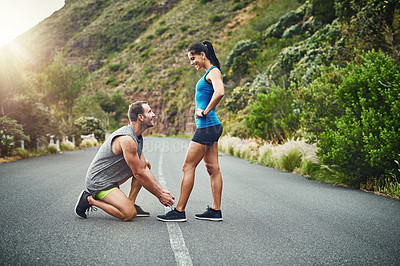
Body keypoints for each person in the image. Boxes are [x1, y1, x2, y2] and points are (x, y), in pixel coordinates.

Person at [157, 41, 224, 222]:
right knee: (212, 168)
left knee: (188, 167)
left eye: (192, 58)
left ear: (203, 55)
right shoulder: (209, 73)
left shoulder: (213, 72)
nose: (191, 62)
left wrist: (204, 111)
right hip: (210, 127)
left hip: (207, 127)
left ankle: (179, 210)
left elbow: (220, 92)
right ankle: (215, 210)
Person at [74, 101, 175, 221]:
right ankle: (89, 199)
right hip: (99, 183)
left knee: (146, 164)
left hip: (111, 179)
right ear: (140, 117)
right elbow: (137, 173)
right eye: (150, 112)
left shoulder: (137, 136)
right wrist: (160, 196)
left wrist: (161, 190)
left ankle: (130, 203)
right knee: (128, 214)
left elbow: (143, 168)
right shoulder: (127, 139)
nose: (153, 115)